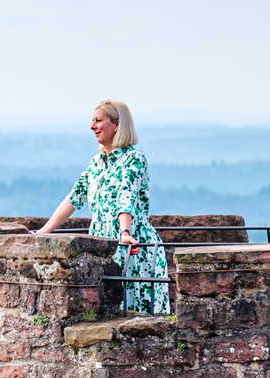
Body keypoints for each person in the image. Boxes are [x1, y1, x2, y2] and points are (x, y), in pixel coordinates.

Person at [36, 100, 170, 314]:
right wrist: (44, 231)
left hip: (132, 249)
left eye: (98, 121)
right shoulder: (96, 163)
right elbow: (73, 198)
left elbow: (127, 196)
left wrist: (125, 233)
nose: (92, 126)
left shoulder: (134, 158)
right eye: (93, 121)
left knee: (137, 318)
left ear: (117, 124)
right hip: (101, 248)